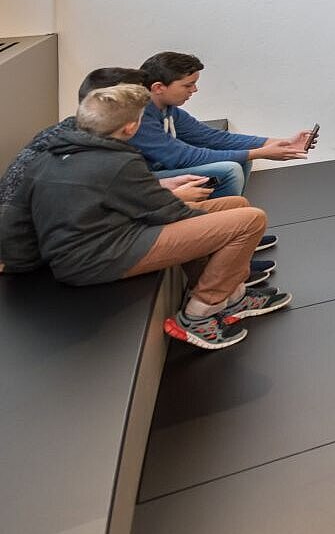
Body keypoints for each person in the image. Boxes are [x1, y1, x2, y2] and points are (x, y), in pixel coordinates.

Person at [1, 84, 290, 351]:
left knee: (234, 205)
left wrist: (17, 264)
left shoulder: (49, 156)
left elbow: (16, 219)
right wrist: (190, 204)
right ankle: (200, 315)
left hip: (105, 240)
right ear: (130, 127)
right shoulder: (117, 162)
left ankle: (234, 296)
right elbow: (170, 213)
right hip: (103, 257)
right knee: (250, 219)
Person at [2, 67, 218, 219]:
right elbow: (81, 210)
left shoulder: (82, 136)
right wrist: (172, 196)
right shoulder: (75, 150)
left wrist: (161, 186)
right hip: (41, 246)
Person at [132, 51, 310, 200]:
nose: (194, 90)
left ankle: (235, 222)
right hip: (139, 182)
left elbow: (212, 137)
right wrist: (261, 152)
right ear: (158, 88)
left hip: (160, 171)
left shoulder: (168, 109)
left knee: (242, 161)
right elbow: (183, 157)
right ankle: (222, 231)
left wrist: (282, 143)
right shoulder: (139, 116)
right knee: (229, 168)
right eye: (188, 85)